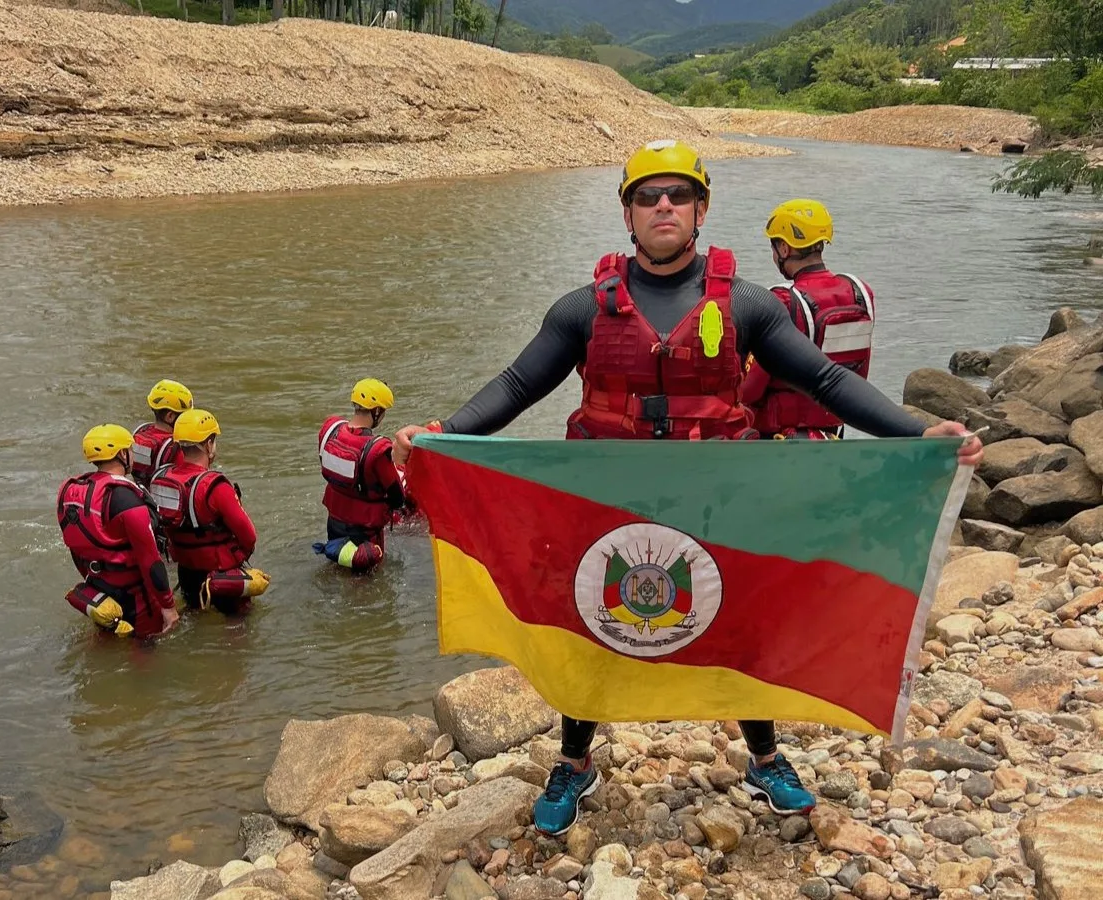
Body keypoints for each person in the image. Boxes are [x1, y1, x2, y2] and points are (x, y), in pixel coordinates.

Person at [393, 139, 984, 836]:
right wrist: (445, 432)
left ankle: (764, 757)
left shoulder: (751, 306)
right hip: (607, 499)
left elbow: (824, 381)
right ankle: (575, 762)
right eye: (648, 196)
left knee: (740, 618)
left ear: (701, 208)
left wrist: (916, 434)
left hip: (716, 493)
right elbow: (520, 386)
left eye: (677, 194)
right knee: (594, 619)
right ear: (628, 213)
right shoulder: (582, 310)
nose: (663, 206)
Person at [742, 199, 875, 440]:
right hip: (834, 432)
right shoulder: (860, 292)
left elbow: (750, 390)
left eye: (774, 248)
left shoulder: (782, 301)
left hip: (780, 440)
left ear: (784, 249)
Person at [57, 424, 179, 638]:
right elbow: (150, 560)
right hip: (135, 597)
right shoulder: (126, 499)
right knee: (146, 647)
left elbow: (75, 546)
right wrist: (168, 606)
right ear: (122, 454)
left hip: (97, 588)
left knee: (108, 640)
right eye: (130, 450)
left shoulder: (71, 491)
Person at [149, 409, 268, 613]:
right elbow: (248, 535)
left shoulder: (161, 479)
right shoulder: (216, 487)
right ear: (209, 443)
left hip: (186, 571)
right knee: (238, 627)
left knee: (193, 615)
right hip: (222, 574)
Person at [312, 378, 408, 573]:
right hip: (365, 531)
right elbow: (397, 497)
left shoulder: (330, 430)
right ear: (377, 411)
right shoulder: (377, 450)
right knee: (366, 580)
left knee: (338, 564)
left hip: (334, 521)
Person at [131, 379, 194, 486]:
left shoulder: (140, 432)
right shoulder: (176, 448)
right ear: (170, 416)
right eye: (185, 415)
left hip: (139, 492)